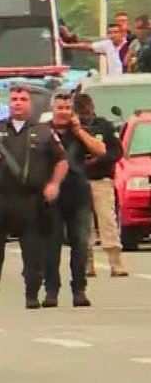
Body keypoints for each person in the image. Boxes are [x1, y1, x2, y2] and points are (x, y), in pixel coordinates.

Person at [0, 87, 68, 310]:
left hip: (29, 199)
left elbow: (61, 160)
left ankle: (32, 295)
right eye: (14, 99)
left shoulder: (43, 131)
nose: (18, 103)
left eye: (23, 99)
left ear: (30, 104)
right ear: (8, 103)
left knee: (34, 250)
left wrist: (54, 184)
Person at [42, 92, 105, 307]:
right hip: (52, 197)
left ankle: (79, 289)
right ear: (53, 109)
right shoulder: (44, 132)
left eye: (67, 108)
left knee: (80, 244)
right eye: (60, 108)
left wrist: (79, 131)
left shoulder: (80, 132)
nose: (64, 112)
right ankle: (51, 291)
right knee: (51, 246)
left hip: (78, 194)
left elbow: (101, 151)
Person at [73, 92, 127, 278]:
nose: (85, 112)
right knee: (82, 223)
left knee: (107, 220)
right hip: (80, 180)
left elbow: (117, 151)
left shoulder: (104, 126)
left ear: (92, 107)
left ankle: (115, 262)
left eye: (86, 108)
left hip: (101, 179)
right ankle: (87, 263)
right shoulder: (73, 128)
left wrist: (100, 159)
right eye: (81, 110)